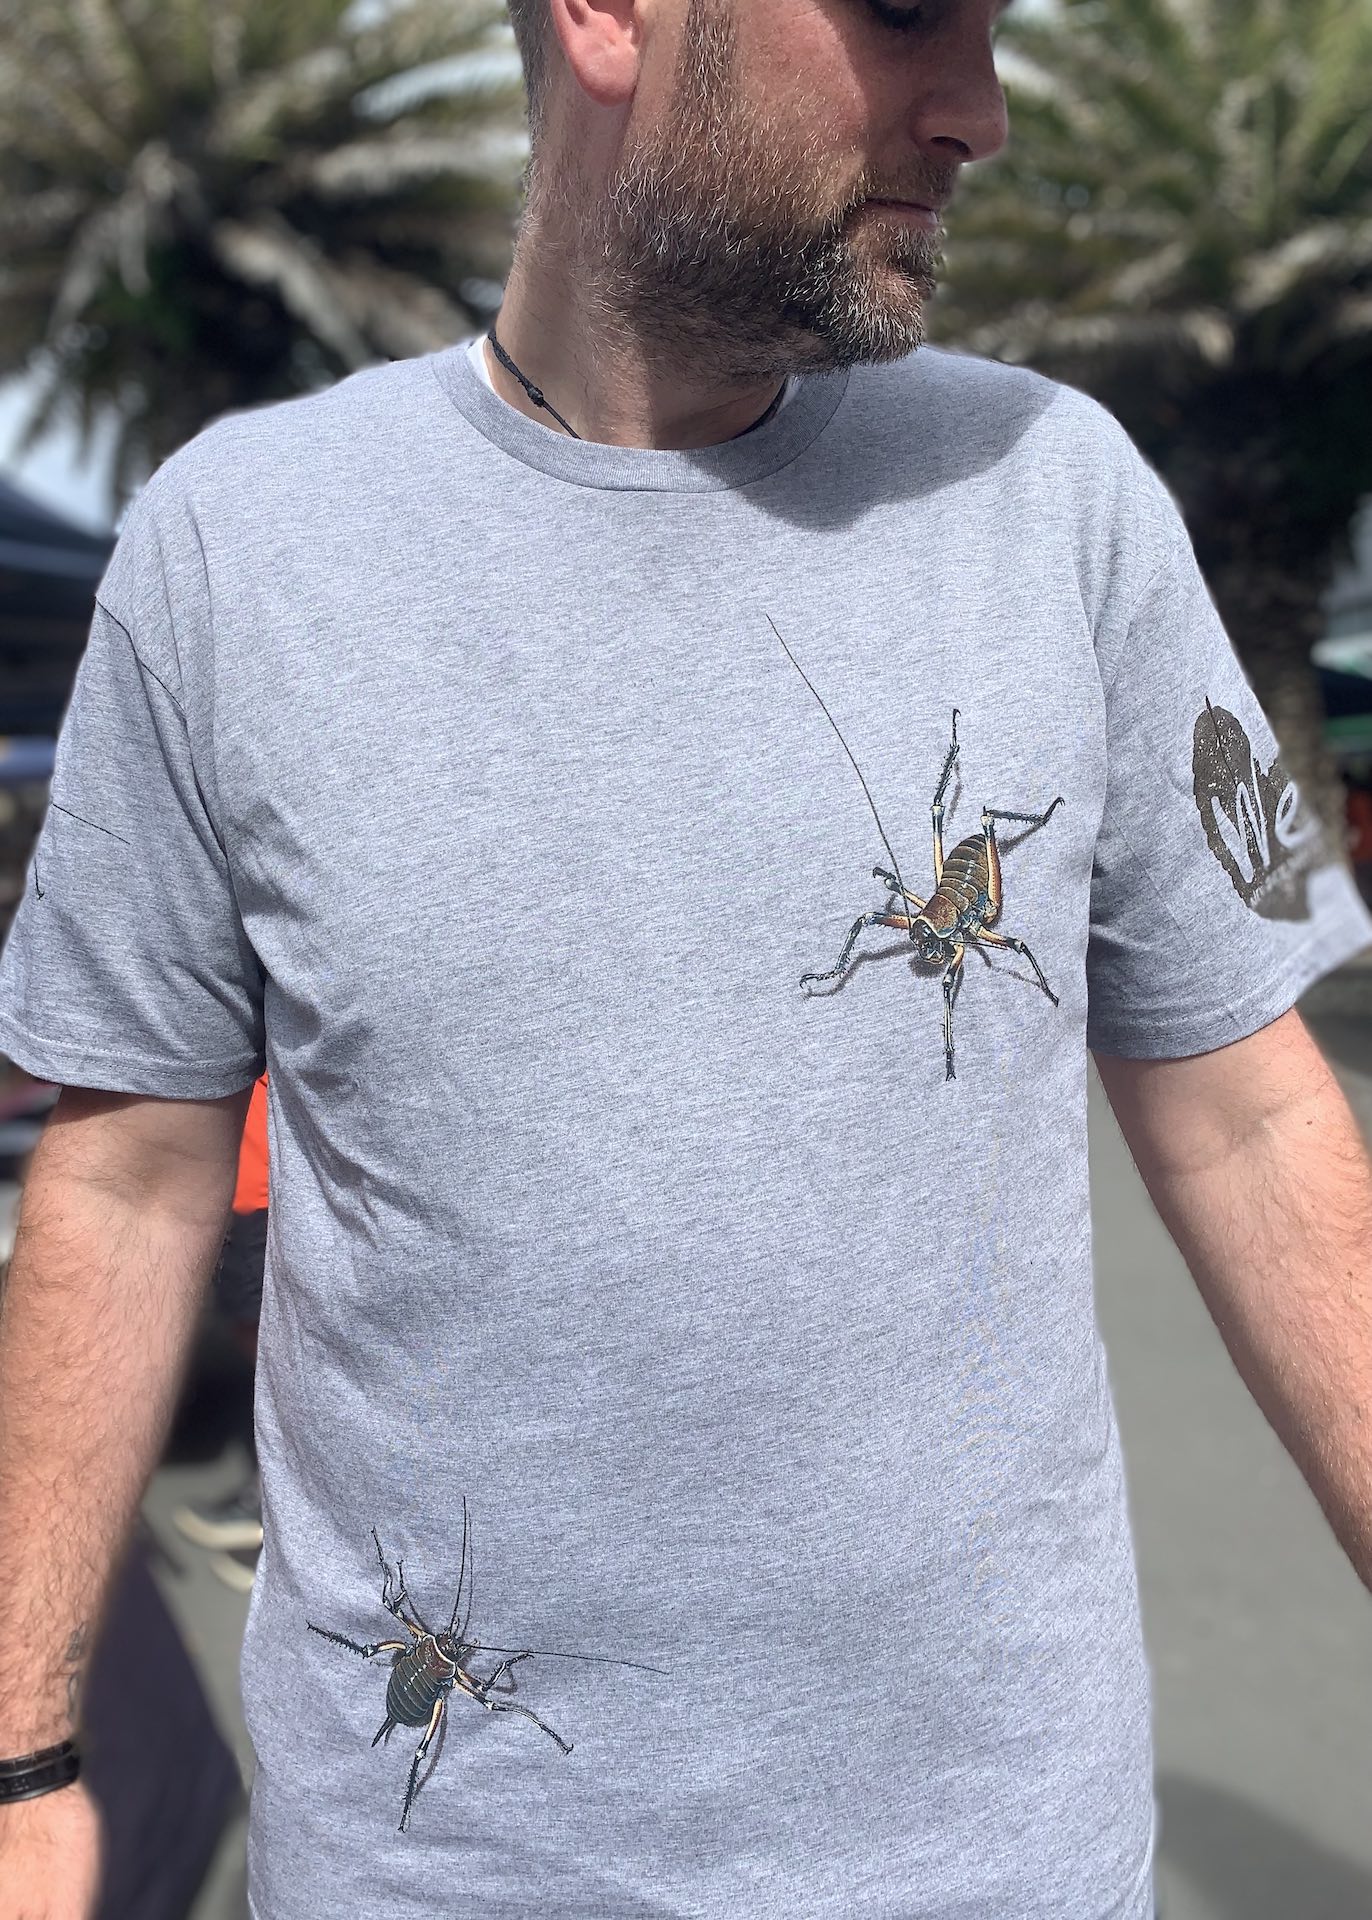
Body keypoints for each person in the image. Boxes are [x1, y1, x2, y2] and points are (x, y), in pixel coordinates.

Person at [0, 1, 1370, 1915]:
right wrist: (23, 1762)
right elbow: (129, 1169)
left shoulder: (1055, 502)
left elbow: (1244, 1112)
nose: (973, 108)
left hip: (992, 1866)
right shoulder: (238, 550)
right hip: (444, 1877)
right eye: (905, 16)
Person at [172, 1072, 268, 1593]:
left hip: (265, 1196)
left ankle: (272, 1522)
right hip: (237, 1192)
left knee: (281, 1370)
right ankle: (264, 1502)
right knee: (258, 1354)